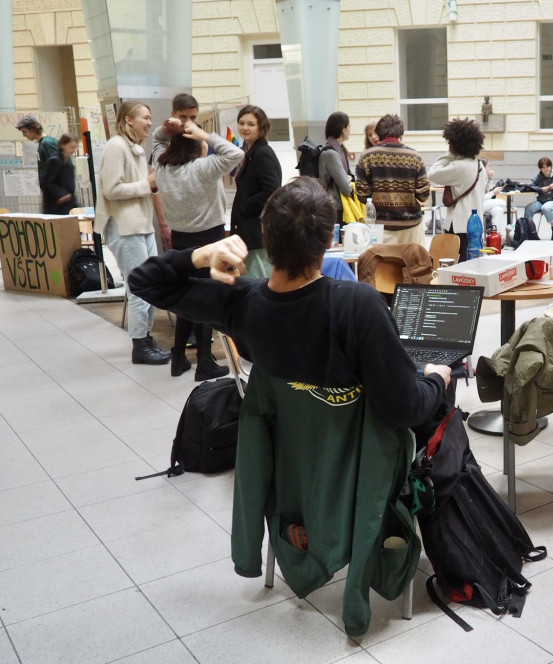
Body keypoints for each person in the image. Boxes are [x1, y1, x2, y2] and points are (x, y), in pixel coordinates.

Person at [128, 177, 450, 637]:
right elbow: (403, 410)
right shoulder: (357, 304)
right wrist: (437, 379)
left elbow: (143, 280)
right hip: (361, 466)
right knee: (439, 408)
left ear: (265, 234)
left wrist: (200, 254)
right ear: (328, 240)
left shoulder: (243, 302)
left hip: (290, 462)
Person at [151, 116, 244, 379]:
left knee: (186, 298)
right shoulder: (204, 168)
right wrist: (204, 134)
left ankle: (178, 358)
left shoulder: (162, 167)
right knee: (207, 299)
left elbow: (157, 140)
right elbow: (236, 153)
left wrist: (166, 128)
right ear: (196, 145)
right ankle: (204, 362)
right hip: (210, 239)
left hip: (181, 239)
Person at [95, 100, 171, 365]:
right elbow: (111, 190)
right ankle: (140, 345)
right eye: (145, 118)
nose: (150, 122)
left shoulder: (136, 148)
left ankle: (145, 339)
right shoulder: (116, 146)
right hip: (125, 227)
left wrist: (151, 185)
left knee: (149, 285)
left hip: (141, 225)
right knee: (139, 288)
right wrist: (146, 184)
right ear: (128, 119)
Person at [355, 114, 430, 245]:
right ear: (400, 132)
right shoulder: (415, 157)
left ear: (379, 132)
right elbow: (423, 195)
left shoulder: (367, 157)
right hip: (411, 227)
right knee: (413, 259)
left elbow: (362, 194)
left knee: (382, 259)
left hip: (380, 228)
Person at [231, 105, 282, 278]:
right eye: (242, 123)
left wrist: (244, 207)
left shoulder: (262, 153)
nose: (245, 128)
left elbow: (272, 190)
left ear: (261, 128)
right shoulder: (252, 152)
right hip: (250, 233)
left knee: (257, 282)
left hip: (256, 234)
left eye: (251, 124)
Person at [428, 118, 486, 262]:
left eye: (450, 143)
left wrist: (450, 154)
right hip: (475, 226)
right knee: (471, 265)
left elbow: (433, 174)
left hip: (459, 227)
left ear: (456, 144)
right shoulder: (479, 165)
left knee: (455, 266)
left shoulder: (458, 167)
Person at [154, 93, 203, 250]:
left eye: (193, 117)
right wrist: (163, 224)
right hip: (177, 226)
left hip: (204, 223)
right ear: (173, 115)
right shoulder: (165, 148)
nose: (188, 122)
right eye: (183, 117)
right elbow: (156, 188)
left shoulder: (203, 141)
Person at [317, 111, 354, 224]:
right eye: (349, 127)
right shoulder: (331, 153)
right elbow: (347, 188)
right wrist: (348, 178)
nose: (350, 130)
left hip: (336, 207)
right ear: (343, 129)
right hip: (334, 209)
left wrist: (348, 177)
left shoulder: (338, 149)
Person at [40, 133, 79, 215]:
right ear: (63, 145)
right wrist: (61, 193)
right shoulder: (55, 160)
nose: (74, 150)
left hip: (67, 204)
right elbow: (45, 182)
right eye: (71, 147)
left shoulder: (68, 162)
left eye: (75, 147)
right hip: (55, 204)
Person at [16, 115, 59, 185]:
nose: (24, 135)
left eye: (24, 131)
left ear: (33, 129)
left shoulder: (46, 143)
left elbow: (56, 168)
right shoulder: (43, 143)